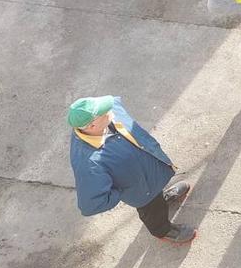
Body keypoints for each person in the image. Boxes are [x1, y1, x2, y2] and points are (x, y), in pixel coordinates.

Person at [67, 95, 195, 244]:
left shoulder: (109, 115)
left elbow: (114, 101)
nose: (110, 109)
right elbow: (90, 205)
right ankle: (162, 230)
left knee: (156, 197)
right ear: (92, 126)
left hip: (150, 173)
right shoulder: (89, 163)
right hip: (141, 191)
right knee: (151, 209)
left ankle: (162, 198)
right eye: (104, 111)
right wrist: (123, 191)